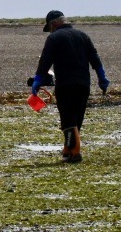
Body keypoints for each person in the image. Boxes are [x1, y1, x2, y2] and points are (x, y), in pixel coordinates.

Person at [31, 10, 109, 164]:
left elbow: (45, 62)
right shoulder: (82, 36)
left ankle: (76, 153)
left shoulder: (54, 38)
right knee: (76, 119)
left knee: (68, 120)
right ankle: (67, 151)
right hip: (83, 85)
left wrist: (38, 80)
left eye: (50, 27)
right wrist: (102, 78)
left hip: (65, 85)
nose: (50, 31)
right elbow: (95, 59)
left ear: (53, 24)